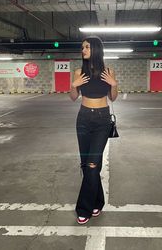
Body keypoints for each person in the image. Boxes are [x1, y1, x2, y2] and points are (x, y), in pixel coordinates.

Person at [70, 36, 118, 225]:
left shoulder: (108, 71)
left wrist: (114, 85)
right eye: (82, 47)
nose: (83, 50)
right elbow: (73, 97)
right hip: (83, 119)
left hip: (101, 120)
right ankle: (98, 201)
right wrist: (73, 86)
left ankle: (84, 208)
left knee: (91, 164)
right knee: (87, 165)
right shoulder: (78, 72)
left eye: (87, 47)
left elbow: (113, 98)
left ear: (96, 49)